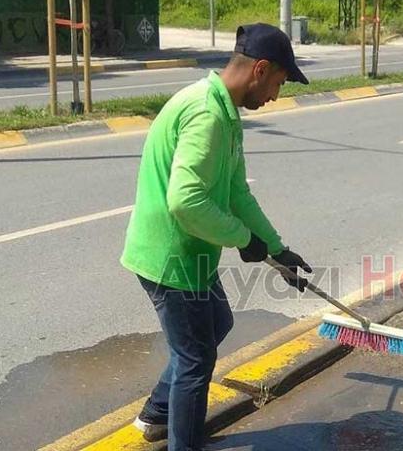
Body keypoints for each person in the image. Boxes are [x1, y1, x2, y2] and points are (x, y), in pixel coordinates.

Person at [120, 23, 313, 451]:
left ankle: (156, 414)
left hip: (194, 253)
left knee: (218, 323)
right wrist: (244, 240)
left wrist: (278, 251)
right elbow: (185, 202)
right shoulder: (207, 115)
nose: (276, 96)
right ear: (259, 70)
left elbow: (236, 193)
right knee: (196, 360)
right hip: (171, 257)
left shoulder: (223, 111)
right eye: (278, 83)